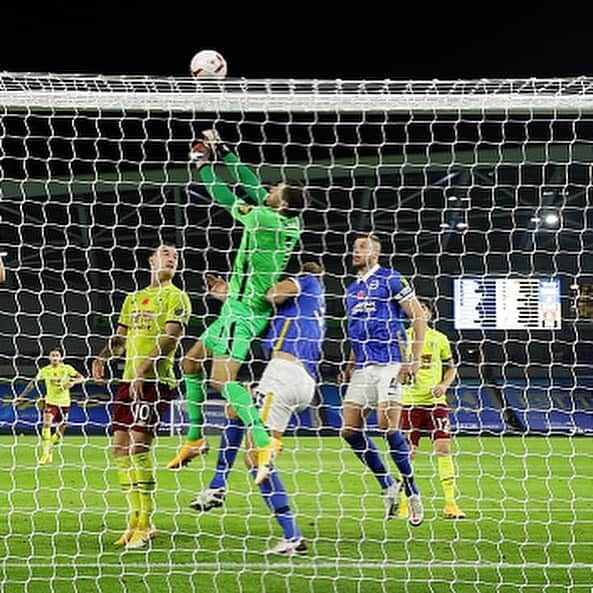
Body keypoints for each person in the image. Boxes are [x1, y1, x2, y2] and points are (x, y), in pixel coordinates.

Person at [167, 129, 307, 486]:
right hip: (236, 307)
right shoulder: (287, 218)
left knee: (220, 380)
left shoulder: (264, 219)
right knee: (190, 361)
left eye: (276, 190)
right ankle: (195, 439)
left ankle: (263, 443)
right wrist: (223, 149)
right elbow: (248, 180)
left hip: (244, 313)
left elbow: (223, 194)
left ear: (283, 202)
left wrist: (201, 165)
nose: (270, 189)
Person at [189, 261, 325, 556]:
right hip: (300, 378)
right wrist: (226, 293)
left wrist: (257, 283)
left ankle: (292, 536)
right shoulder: (297, 311)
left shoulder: (309, 281)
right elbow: (251, 308)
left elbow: (269, 295)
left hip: (284, 374)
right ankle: (217, 484)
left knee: (254, 458)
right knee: (235, 411)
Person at [92, 244, 191, 549]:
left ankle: (145, 523)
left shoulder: (177, 297)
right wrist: (103, 356)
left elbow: (170, 339)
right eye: (165, 253)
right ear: (151, 261)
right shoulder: (132, 299)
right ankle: (133, 521)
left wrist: (141, 371)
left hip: (155, 380)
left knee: (138, 446)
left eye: (175, 255)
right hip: (127, 381)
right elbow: (121, 339)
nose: (171, 258)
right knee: (120, 448)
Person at [338, 234, 427, 527]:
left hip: (390, 361)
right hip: (363, 366)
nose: (356, 250)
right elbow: (356, 330)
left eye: (362, 247)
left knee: (386, 425)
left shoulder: (391, 279)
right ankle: (387, 483)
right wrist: (349, 365)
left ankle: (412, 493)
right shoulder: (351, 290)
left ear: (375, 254)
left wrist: (413, 359)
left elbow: (418, 317)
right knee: (349, 429)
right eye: (355, 246)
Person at [398, 297, 465, 519]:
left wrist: (444, 385)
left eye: (424, 308)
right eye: (416, 308)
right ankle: (405, 504)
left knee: (444, 448)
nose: (419, 312)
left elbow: (451, 368)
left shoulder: (440, 339)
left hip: (436, 404)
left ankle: (450, 504)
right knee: (408, 454)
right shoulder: (403, 337)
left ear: (430, 314)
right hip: (409, 403)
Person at [17, 347, 84, 464]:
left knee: (60, 431)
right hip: (51, 402)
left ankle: (51, 448)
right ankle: (45, 453)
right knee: (46, 424)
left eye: (57, 355)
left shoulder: (67, 369)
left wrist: (72, 382)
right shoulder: (45, 370)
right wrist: (21, 397)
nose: (54, 357)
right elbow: (32, 384)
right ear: (49, 357)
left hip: (64, 403)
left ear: (61, 357)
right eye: (52, 355)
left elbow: (81, 378)